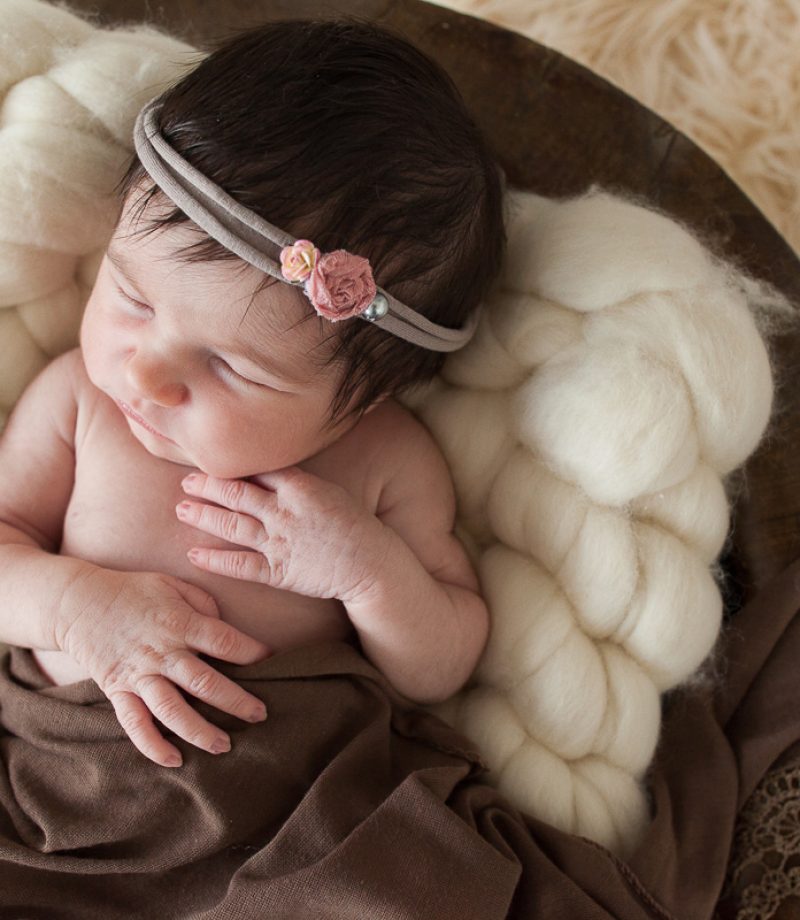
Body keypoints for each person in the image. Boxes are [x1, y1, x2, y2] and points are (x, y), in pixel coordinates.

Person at [0, 17, 506, 770]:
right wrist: (78, 610)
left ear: (360, 400)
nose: (144, 375)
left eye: (233, 367)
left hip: (292, 807)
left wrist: (368, 572)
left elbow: (438, 671)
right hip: (64, 762)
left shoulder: (385, 461)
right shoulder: (79, 399)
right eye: (133, 297)